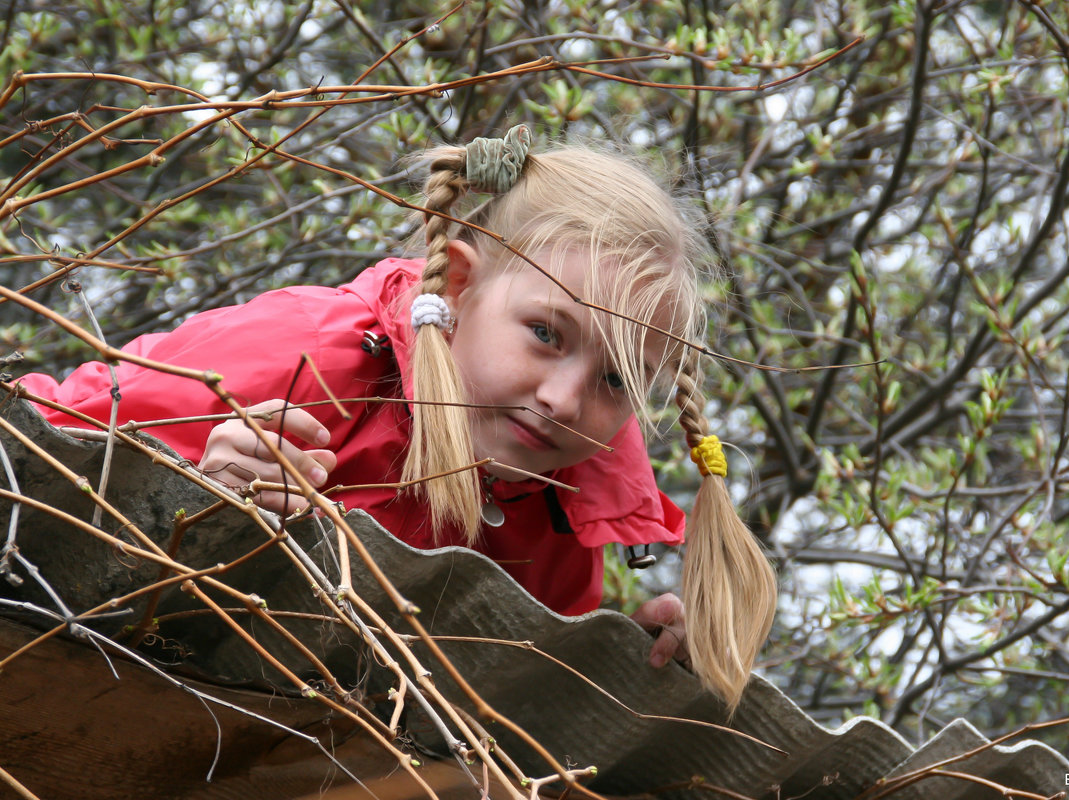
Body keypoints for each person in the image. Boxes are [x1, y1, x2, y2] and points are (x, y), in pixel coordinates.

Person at [17, 127, 776, 708]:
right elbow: (37, 446)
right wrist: (191, 491)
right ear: (467, 286)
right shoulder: (318, 356)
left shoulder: (565, 504)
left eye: (615, 379)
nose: (564, 398)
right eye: (546, 334)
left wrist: (616, 667)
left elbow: (487, 712)